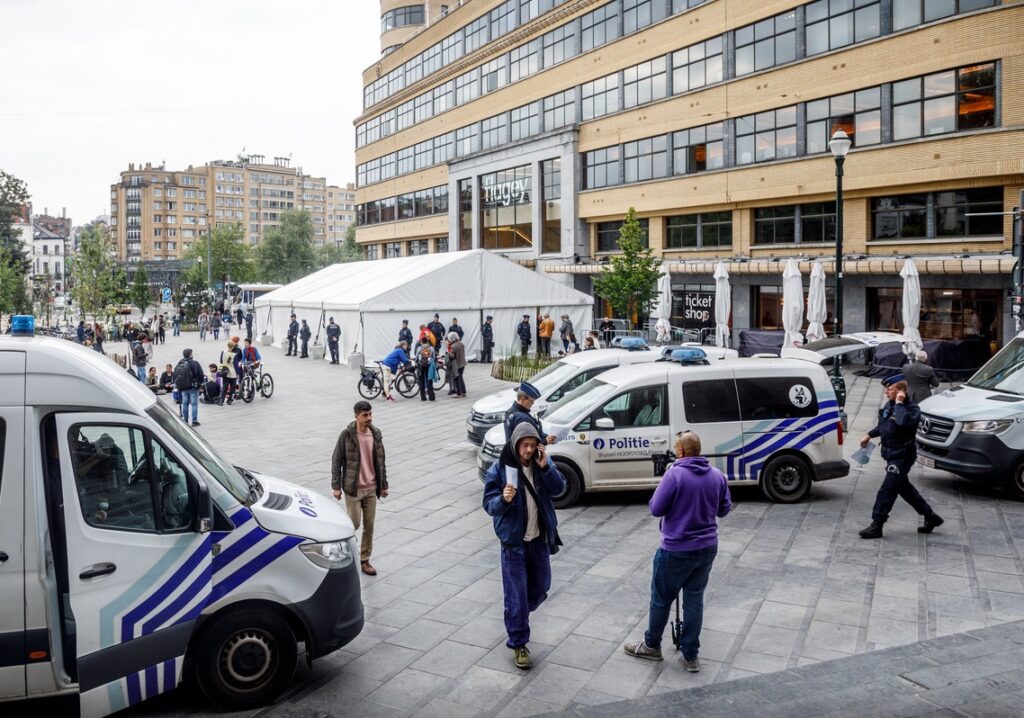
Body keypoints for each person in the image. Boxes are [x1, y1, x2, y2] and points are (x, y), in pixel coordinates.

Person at [624, 431, 731, 672]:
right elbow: (724, 509)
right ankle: (690, 655)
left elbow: (656, 508)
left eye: (675, 447)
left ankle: (652, 645)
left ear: (681, 451)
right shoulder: (717, 476)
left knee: (661, 598)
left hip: (676, 549)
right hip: (706, 548)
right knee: (694, 600)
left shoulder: (674, 475)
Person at [482, 422, 565, 670]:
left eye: (532, 445)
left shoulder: (541, 464)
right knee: (516, 596)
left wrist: (546, 466)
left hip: (539, 539)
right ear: (516, 444)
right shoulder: (500, 469)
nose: (528, 450)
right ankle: (519, 642)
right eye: (524, 445)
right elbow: (489, 504)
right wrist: (503, 499)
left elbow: (559, 488)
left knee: (540, 588)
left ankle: (517, 613)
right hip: (514, 544)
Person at [858, 374, 944, 539]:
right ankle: (931, 517)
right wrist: (869, 435)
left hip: (902, 456)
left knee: (887, 489)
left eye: (889, 389)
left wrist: (899, 403)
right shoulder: (889, 405)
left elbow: (902, 421)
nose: (886, 392)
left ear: (901, 391)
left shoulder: (912, 410)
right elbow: (884, 426)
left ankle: (877, 525)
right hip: (890, 454)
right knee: (903, 488)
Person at [332, 401, 389, 576]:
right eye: (365, 415)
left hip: (371, 488)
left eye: (370, 414)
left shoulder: (376, 434)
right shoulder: (347, 435)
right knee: (354, 524)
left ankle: (364, 560)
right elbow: (337, 460)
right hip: (354, 489)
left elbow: (381, 461)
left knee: (369, 526)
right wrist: (336, 486)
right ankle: (344, 551)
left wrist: (384, 485)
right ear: (356, 416)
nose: (369, 418)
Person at [173, 348, 205, 426]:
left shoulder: (180, 363)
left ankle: (185, 420)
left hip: (183, 387)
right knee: (194, 404)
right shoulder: (195, 363)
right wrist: (199, 383)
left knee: (185, 403)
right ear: (190, 354)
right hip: (193, 387)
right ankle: (194, 421)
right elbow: (201, 374)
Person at [415, 337, 436, 401]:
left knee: (421, 381)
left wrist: (416, 362)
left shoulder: (419, 348)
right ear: (427, 341)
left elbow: (416, 358)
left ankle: (423, 397)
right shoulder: (431, 348)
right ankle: (431, 397)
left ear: (421, 342)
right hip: (429, 366)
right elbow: (433, 357)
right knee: (429, 380)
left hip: (421, 366)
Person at [218, 340, 239, 405]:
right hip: (233, 373)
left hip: (225, 372)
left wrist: (220, 370)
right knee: (232, 388)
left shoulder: (223, 352)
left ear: (227, 346)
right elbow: (236, 365)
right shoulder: (234, 355)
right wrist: (238, 373)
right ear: (233, 347)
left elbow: (221, 362)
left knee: (224, 387)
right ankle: (229, 400)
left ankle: (221, 401)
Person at [448, 331, 467, 398]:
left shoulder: (453, 346)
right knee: (461, 377)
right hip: (463, 363)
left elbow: (452, 356)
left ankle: (459, 393)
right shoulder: (461, 343)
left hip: (457, 364)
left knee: (457, 378)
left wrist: (449, 354)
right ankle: (464, 392)